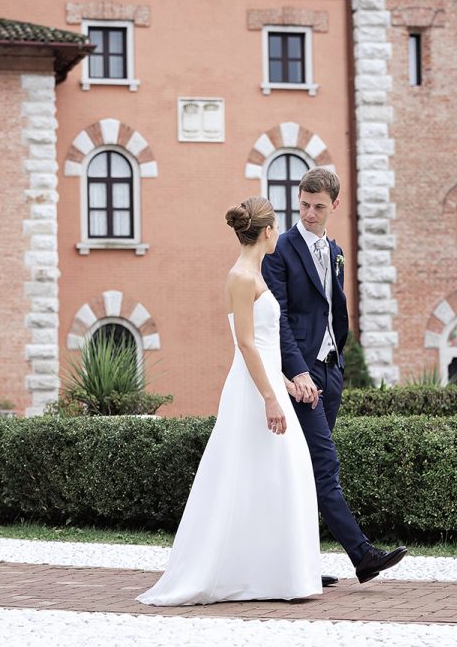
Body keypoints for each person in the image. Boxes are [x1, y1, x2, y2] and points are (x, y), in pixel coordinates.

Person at [137, 197, 323, 606]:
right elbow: (245, 344)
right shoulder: (240, 276)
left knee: (276, 476)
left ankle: (275, 575)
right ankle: (245, 574)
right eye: (278, 227)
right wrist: (271, 398)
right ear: (268, 231)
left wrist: (288, 385)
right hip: (253, 392)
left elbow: (266, 344)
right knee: (256, 474)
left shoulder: (254, 273)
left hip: (269, 384)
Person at [263, 167, 407, 583]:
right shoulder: (281, 249)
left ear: (334, 206)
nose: (309, 213)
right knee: (324, 464)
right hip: (303, 378)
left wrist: (336, 360)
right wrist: (298, 372)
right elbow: (281, 320)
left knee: (305, 469)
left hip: (331, 370)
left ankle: (299, 565)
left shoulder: (337, 251)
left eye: (318, 207)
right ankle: (361, 554)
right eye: (304, 205)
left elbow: (333, 309)